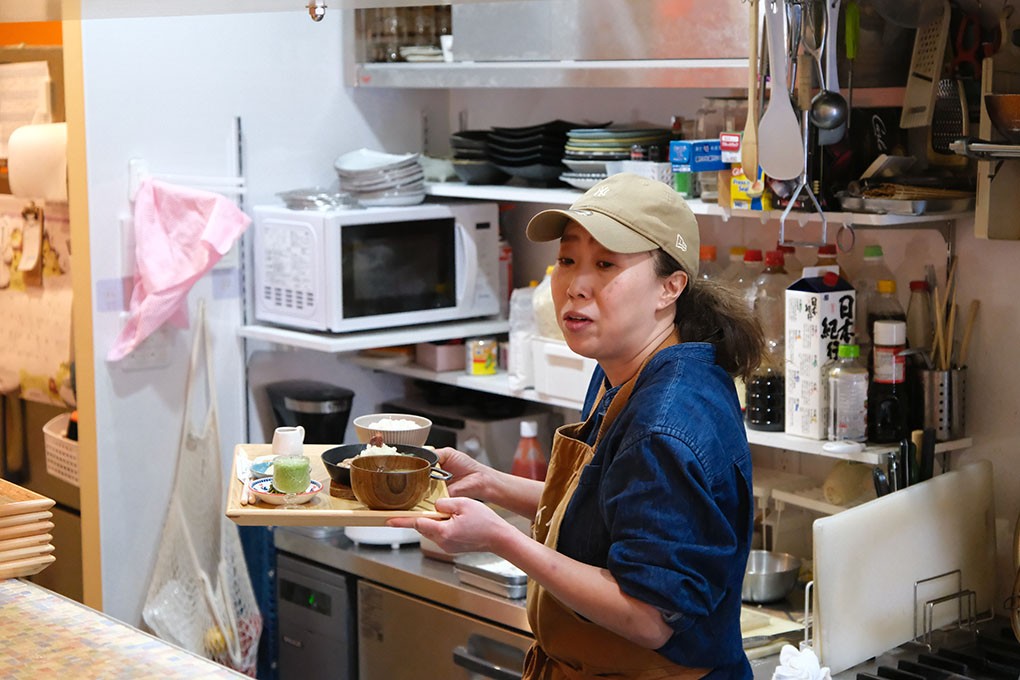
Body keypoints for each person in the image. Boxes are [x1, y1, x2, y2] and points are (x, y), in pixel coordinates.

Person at [389, 173, 765, 679]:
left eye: (606, 263)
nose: (575, 285)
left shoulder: (665, 422)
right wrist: (494, 484)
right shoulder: (626, 368)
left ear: (670, 287)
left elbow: (650, 618)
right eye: (568, 260)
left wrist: (502, 539)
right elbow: (612, 505)